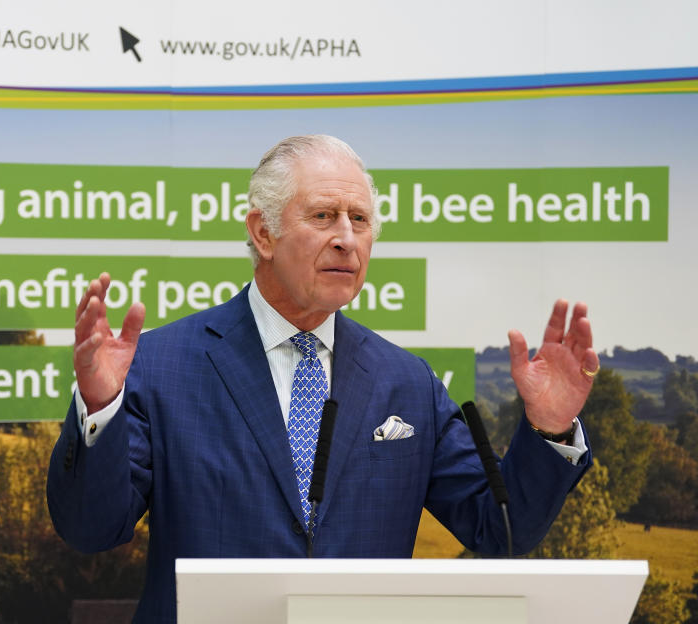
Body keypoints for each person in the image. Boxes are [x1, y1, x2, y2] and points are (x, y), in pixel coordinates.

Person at [47, 135, 597, 623]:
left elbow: (500, 530)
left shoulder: (407, 382)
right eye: (323, 216)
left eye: (359, 220)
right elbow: (91, 530)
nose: (347, 239)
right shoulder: (164, 365)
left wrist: (549, 429)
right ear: (263, 232)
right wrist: (100, 405)